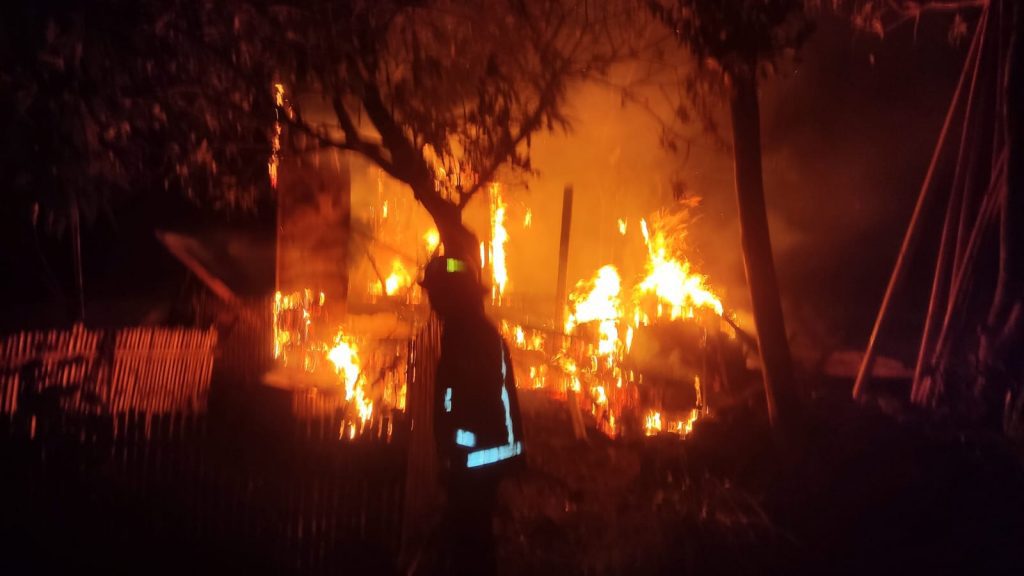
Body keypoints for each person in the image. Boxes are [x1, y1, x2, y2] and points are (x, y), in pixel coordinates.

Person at [419, 255, 524, 576]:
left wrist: (455, 452)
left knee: (471, 548)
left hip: (476, 461)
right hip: (476, 459)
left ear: (454, 294)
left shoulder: (471, 338)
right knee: (473, 544)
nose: (432, 302)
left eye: (437, 293)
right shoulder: (468, 332)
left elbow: (471, 403)